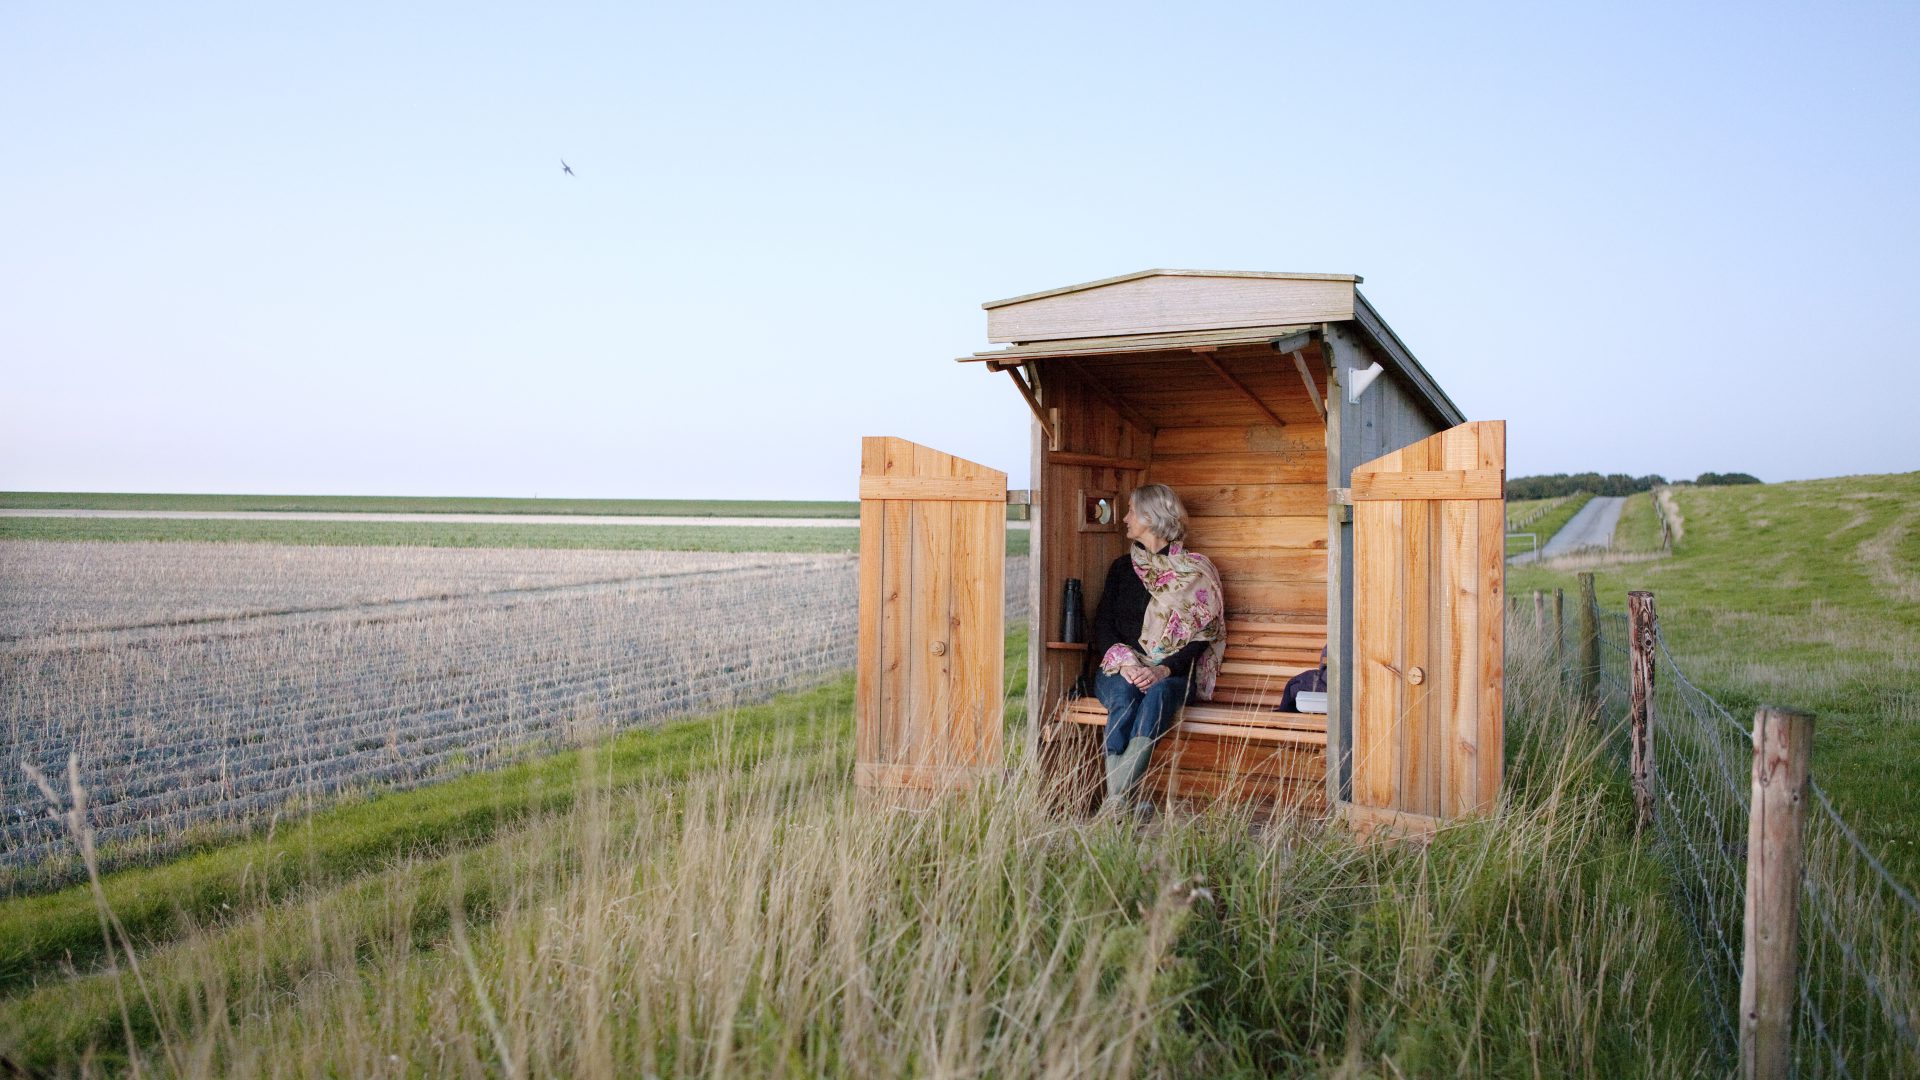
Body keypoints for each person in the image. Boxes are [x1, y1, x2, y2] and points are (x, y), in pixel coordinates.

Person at [1087, 483, 1226, 815]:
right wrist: (1126, 665)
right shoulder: (1122, 569)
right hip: (1119, 667)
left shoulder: (1195, 571)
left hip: (1172, 673)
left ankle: (1115, 801)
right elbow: (1103, 625)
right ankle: (1122, 801)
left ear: (1151, 516)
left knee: (1158, 694)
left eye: (1132, 511)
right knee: (1124, 694)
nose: (1124, 518)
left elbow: (1201, 637)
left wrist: (1162, 669)